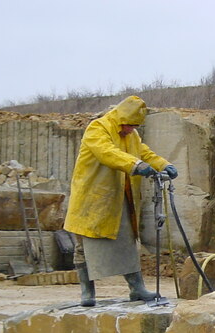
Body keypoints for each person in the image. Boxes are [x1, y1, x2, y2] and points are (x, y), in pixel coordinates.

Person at [63, 95, 178, 306]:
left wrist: (162, 164)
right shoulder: (98, 128)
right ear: (120, 118)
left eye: (134, 127)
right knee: (85, 247)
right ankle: (87, 292)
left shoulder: (131, 136)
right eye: (128, 126)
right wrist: (136, 166)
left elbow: (144, 152)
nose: (130, 130)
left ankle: (137, 289)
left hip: (120, 199)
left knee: (127, 243)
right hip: (93, 201)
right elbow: (107, 153)